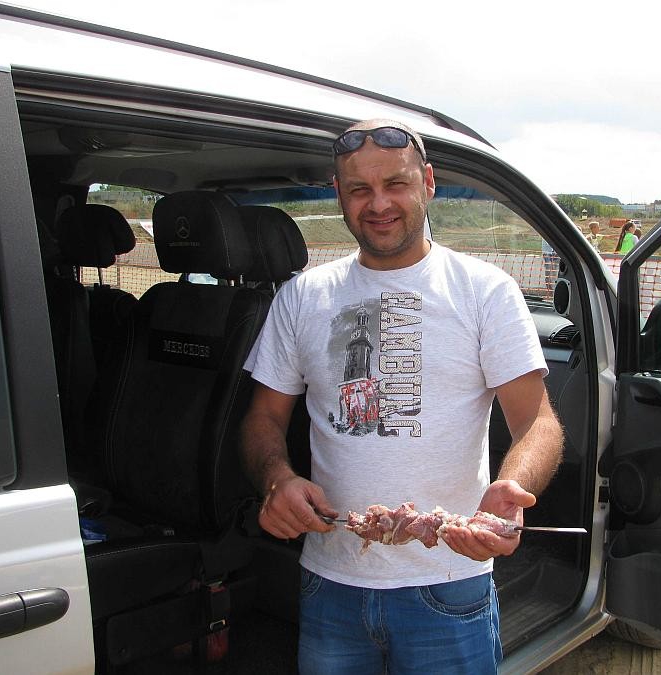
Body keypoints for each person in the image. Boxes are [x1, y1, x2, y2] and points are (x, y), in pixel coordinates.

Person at [241, 119, 564, 674]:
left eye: (396, 184)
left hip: (449, 583)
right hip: (330, 583)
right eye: (359, 189)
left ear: (428, 183)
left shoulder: (485, 291)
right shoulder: (302, 297)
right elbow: (263, 418)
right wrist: (277, 479)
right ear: (338, 194)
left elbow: (538, 421)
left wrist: (513, 486)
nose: (379, 204)